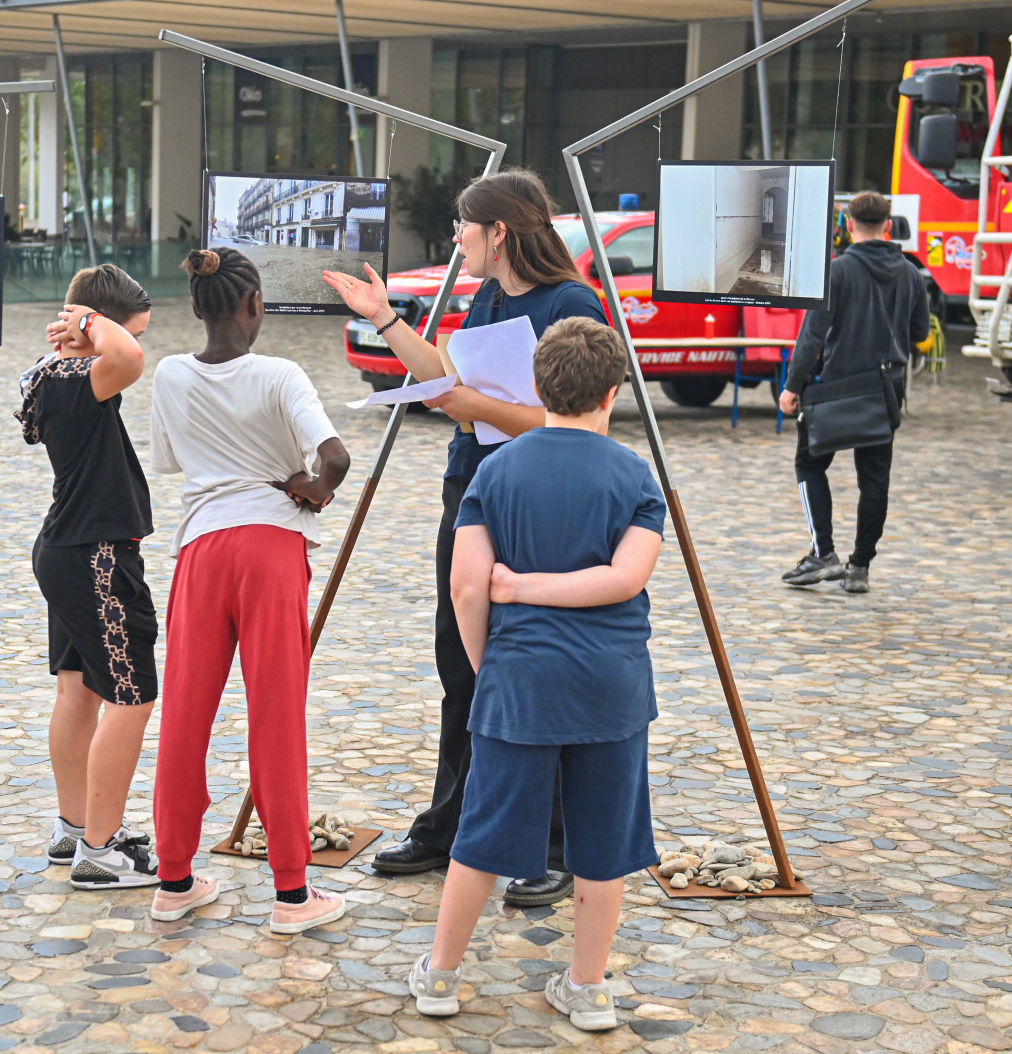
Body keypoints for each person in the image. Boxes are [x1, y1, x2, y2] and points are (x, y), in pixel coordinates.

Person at [322, 168, 606, 907]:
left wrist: (475, 404)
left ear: (500, 232)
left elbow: (569, 421)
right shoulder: (489, 295)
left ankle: (549, 846)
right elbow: (445, 376)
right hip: (473, 490)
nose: (455, 239)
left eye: (463, 227)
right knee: (460, 662)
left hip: (539, 501)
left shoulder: (570, 304)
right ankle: (451, 825)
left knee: (530, 668)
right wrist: (385, 320)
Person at [406, 317, 665, 1031]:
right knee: (602, 845)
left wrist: (498, 646)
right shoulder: (635, 476)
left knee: (481, 836)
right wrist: (538, 587)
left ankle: (441, 976)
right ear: (613, 391)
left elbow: (466, 588)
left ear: (536, 386)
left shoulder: (496, 470)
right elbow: (624, 578)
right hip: (611, 685)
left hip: (519, 680)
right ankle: (587, 989)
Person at [147, 247, 354, 933]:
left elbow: (175, 459)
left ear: (198, 306)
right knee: (275, 715)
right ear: (255, 304)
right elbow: (335, 458)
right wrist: (315, 491)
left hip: (202, 548)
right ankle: (292, 894)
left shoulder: (171, 375)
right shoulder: (280, 373)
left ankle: (174, 878)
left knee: (184, 712)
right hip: (270, 547)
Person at [19, 264, 160, 890]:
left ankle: (76, 826)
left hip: (69, 550)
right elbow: (127, 357)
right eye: (131, 328)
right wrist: (88, 322)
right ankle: (100, 852)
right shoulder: (77, 378)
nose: (135, 342)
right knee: (133, 696)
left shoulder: (54, 378)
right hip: (96, 556)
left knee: (78, 692)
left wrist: (90, 327)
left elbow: (123, 353)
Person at [779, 191, 928, 594]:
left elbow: (812, 337)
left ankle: (822, 552)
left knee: (810, 465)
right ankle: (859, 567)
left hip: (835, 388)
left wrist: (792, 386)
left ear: (847, 225)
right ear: (888, 225)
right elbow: (919, 334)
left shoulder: (836, 272)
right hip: (885, 389)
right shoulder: (911, 273)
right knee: (875, 479)